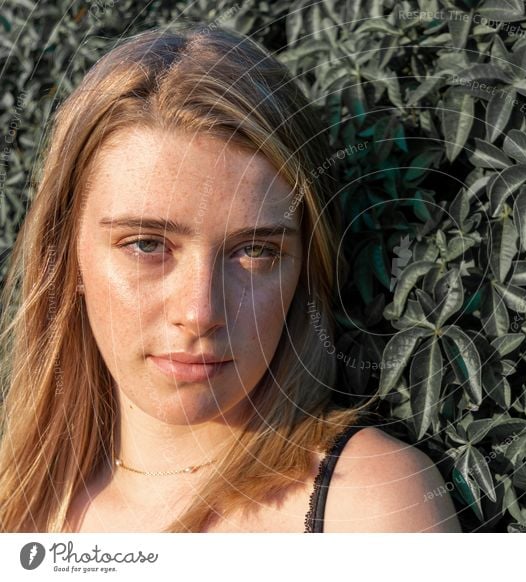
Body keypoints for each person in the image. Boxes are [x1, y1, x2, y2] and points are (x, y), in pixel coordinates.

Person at [0, 24, 461, 533]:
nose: (200, 312)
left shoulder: (367, 507)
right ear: (66, 256)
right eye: (147, 245)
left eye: (255, 251)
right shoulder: (19, 502)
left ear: (303, 268)